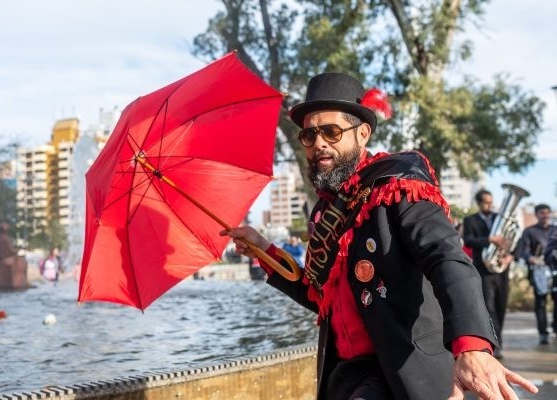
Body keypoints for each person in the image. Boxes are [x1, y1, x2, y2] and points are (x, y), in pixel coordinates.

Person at [221, 72, 536, 400]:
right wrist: (262, 250)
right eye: (309, 135)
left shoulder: (400, 187)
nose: (318, 144)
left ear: (362, 134)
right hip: (344, 376)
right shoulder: (322, 214)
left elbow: (447, 259)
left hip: (404, 371)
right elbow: (322, 299)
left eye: (331, 131)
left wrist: (472, 346)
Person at [463, 189, 514, 357]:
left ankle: (499, 341)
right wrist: (489, 240)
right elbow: (468, 240)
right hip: (484, 271)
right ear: (478, 203)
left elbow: (513, 240)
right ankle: (495, 345)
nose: (490, 205)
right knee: (489, 308)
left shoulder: (499, 219)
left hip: (501, 271)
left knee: (501, 307)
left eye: (491, 202)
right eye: (486, 202)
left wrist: (510, 255)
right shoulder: (470, 220)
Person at [517, 204, 557, 344]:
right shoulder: (529, 231)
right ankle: (543, 333)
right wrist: (530, 258)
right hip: (538, 271)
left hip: (554, 270)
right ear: (536, 214)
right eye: (542, 213)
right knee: (540, 303)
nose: (545, 215)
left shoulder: (555, 229)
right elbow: (522, 250)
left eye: (547, 212)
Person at [0, 222, 29, 289]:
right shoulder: (7, 239)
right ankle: (22, 283)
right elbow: (11, 251)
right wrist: (19, 249)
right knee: (23, 261)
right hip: (7, 260)